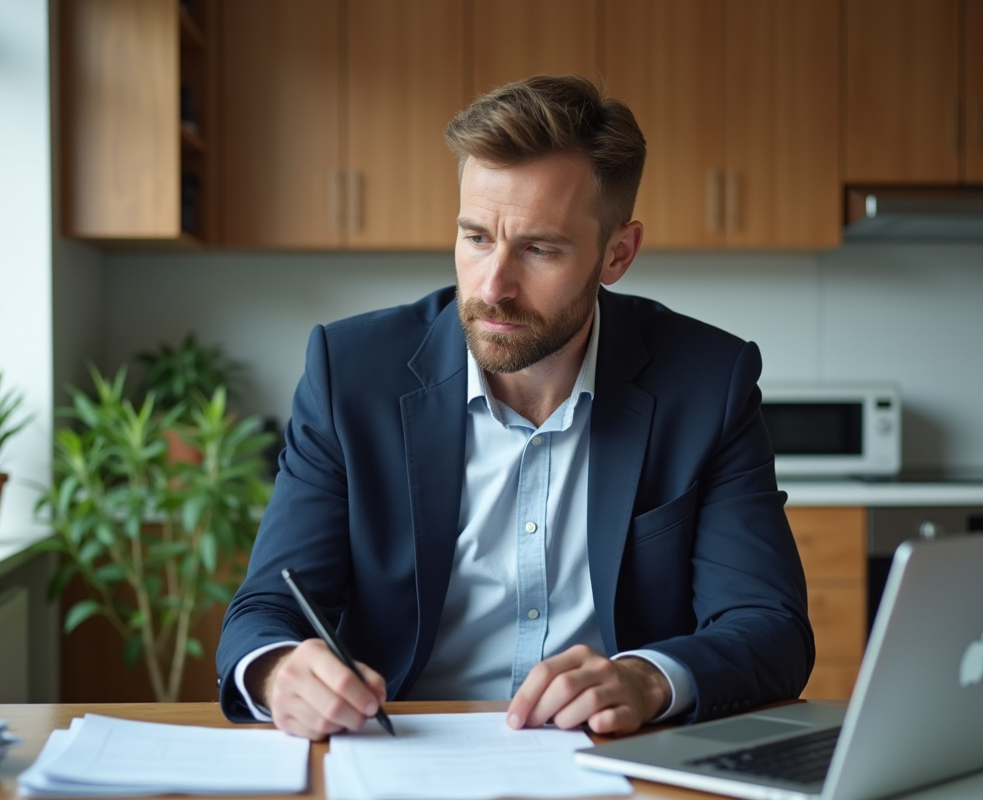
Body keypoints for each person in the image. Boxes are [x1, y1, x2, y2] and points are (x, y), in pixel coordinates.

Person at [216, 74, 813, 740]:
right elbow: (266, 607)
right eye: (476, 238)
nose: (493, 286)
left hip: (614, 760)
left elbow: (770, 626)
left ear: (618, 252)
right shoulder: (351, 374)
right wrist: (277, 671)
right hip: (398, 755)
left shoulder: (707, 382)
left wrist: (646, 678)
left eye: (538, 249)